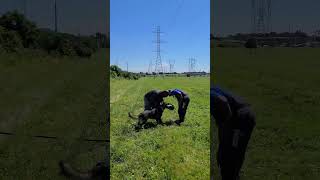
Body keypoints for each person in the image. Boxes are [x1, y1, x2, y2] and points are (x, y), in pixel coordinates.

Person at [211, 86, 256, 180]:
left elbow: (223, 101)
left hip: (241, 119)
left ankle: (231, 175)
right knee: (226, 151)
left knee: (232, 152)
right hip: (236, 117)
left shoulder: (210, 95)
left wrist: (226, 127)